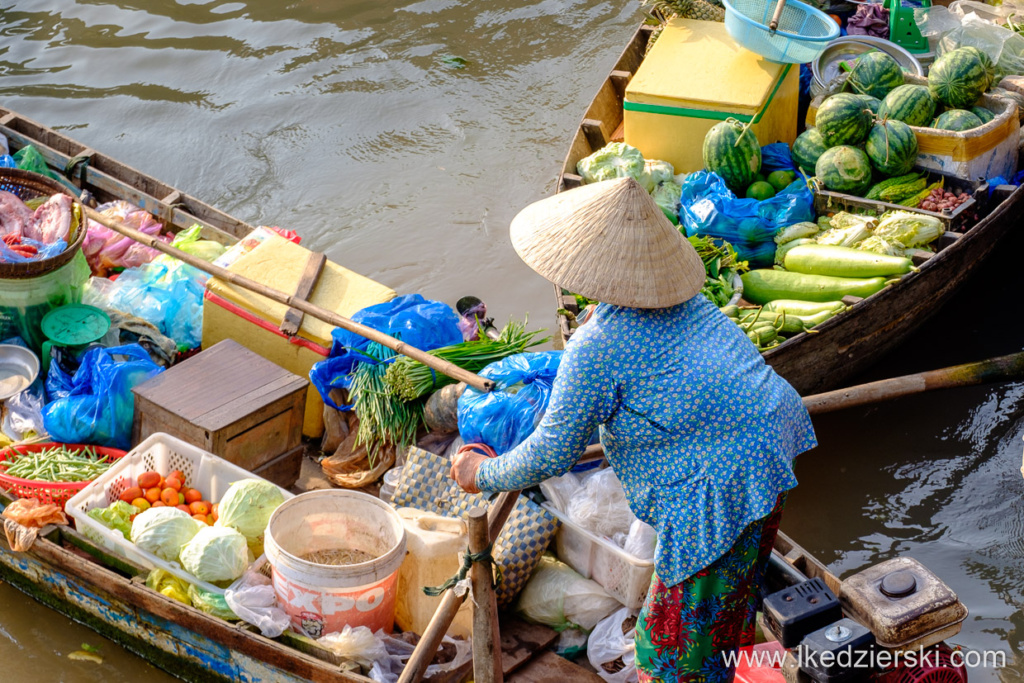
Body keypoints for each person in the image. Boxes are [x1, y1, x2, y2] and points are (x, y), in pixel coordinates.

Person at [450, 177, 817, 682]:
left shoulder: (597, 344)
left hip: (715, 483)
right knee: (729, 601)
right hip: (772, 445)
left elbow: (552, 454)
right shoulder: (693, 303)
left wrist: (482, 471)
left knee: (671, 647)